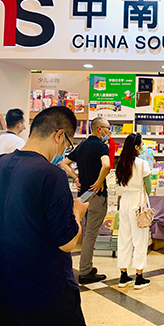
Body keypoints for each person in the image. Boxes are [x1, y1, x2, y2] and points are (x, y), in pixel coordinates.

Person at [0, 106, 89, 326]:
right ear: (59, 135)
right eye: (67, 144)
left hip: (5, 292)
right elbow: (67, 242)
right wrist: (77, 212)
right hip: (47, 295)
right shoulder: (51, 174)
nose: (64, 151)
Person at [59, 117, 111, 283]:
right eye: (107, 128)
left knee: (86, 231)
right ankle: (85, 271)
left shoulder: (82, 146)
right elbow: (107, 165)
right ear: (99, 129)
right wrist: (99, 181)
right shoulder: (101, 147)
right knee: (91, 234)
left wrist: (76, 177)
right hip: (96, 195)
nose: (109, 131)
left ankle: (86, 265)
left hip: (83, 196)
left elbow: (64, 163)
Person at [116, 133, 153, 289]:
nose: (143, 146)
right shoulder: (142, 164)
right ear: (136, 147)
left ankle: (123, 275)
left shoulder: (121, 163)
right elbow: (148, 186)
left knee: (124, 238)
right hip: (139, 202)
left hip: (124, 201)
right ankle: (139, 276)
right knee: (140, 239)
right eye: (142, 144)